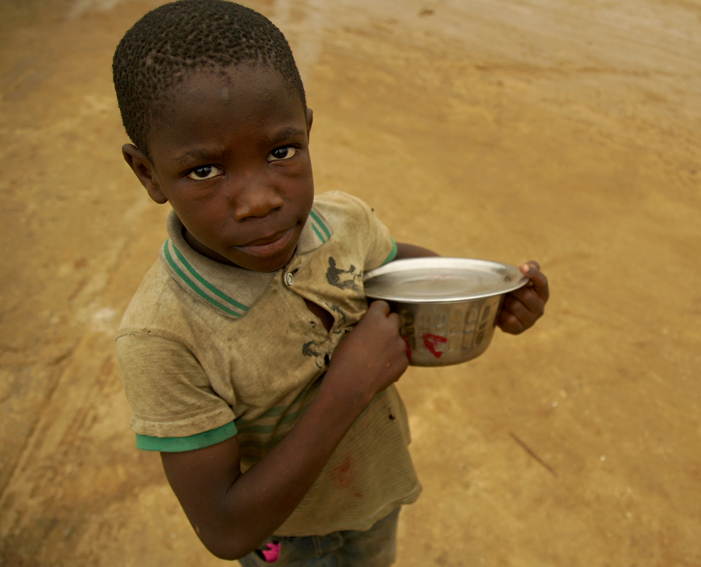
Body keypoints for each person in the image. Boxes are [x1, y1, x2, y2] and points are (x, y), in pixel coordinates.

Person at [111, 1, 550, 565]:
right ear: (148, 173)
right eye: (205, 171)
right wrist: (349, 388)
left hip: (373, 493)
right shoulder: (163, 337)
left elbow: (401, 272)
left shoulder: (340, 223)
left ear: (308, 131)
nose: (261, 200)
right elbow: (224, 529)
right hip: (290, 541)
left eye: (281, 152)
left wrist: (491, 298)